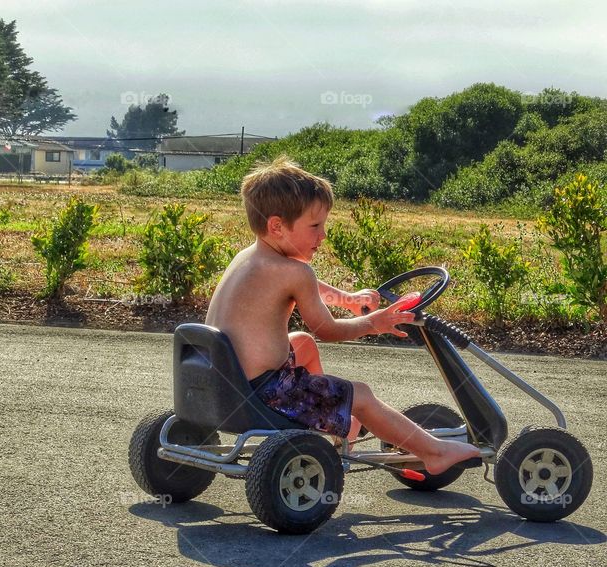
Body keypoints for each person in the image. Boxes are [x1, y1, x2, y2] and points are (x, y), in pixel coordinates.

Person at [205, 156, 480, 475]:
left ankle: (331, 424)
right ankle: (434, 452)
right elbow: (329, 329)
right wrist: (374, 322)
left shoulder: (249, 258)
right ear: (277, 226)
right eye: (315, 226)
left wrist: (346, 298)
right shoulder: (295, 272)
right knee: (360, 394)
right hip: (264, 395)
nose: (322, 236)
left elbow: (303, 287)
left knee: (302, 343)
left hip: (220, 386)